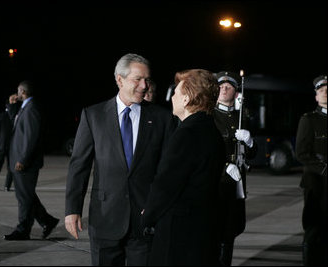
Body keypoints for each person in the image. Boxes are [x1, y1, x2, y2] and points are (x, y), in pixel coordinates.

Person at [64, 53, 176, 266]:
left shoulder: (161, 118)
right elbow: (79, 165)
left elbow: (167, 169)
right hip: (105, 218)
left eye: (147, 80)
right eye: (137, 79)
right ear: (119, 80)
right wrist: (72, 209)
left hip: (145, 221)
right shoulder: (93, 115)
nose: (144, 86)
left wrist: (158, 205)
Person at [141, 69, 226, 266]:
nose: (172, 97)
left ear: (187, 99)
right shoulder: (212, 131)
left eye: (176, 93)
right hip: (204, 228)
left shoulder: (186, 134)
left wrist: (148, 216)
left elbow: (166, 184)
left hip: (179, 233)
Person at [4, 80, 59, 241]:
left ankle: (23, 230)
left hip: (25, 162)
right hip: (20, 159)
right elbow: (14, 120)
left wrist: (23, 159)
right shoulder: (25, 107)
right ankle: (47, 221)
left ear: (23, 92)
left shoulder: (32, 108)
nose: (16, 93)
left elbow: (31, 137)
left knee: (24, 197)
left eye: (18, 91)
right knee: (25, 195)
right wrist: (11, 105)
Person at [213, 71, 257, 266]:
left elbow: (252, 155)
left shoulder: (241, 117)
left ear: (236, 92)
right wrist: (224, 167)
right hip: (216, 184)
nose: (224, 89)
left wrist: (250, 142)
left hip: (236, 184)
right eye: (220, 86)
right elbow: (205, 152)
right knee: (216, 231)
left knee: (232, 229)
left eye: (228, 87)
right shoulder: (210, 115)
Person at [296, 75, 327, 266]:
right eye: (321, 90)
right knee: (314, 227)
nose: (325, 93)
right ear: (316, 96)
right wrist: (324, 169)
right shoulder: (309, 119)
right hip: (317, 182)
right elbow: (302, 153)